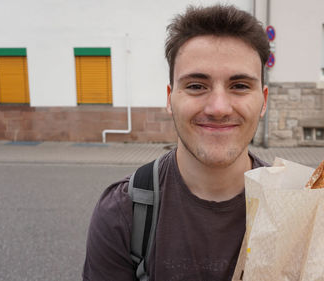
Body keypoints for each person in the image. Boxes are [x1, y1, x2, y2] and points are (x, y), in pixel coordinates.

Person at [82, 4, 270, 281]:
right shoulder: (124, 211)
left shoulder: (297, 206)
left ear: (263, 100)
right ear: (170, 98)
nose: (218, 108)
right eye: (196, 85)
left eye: (240, 86)